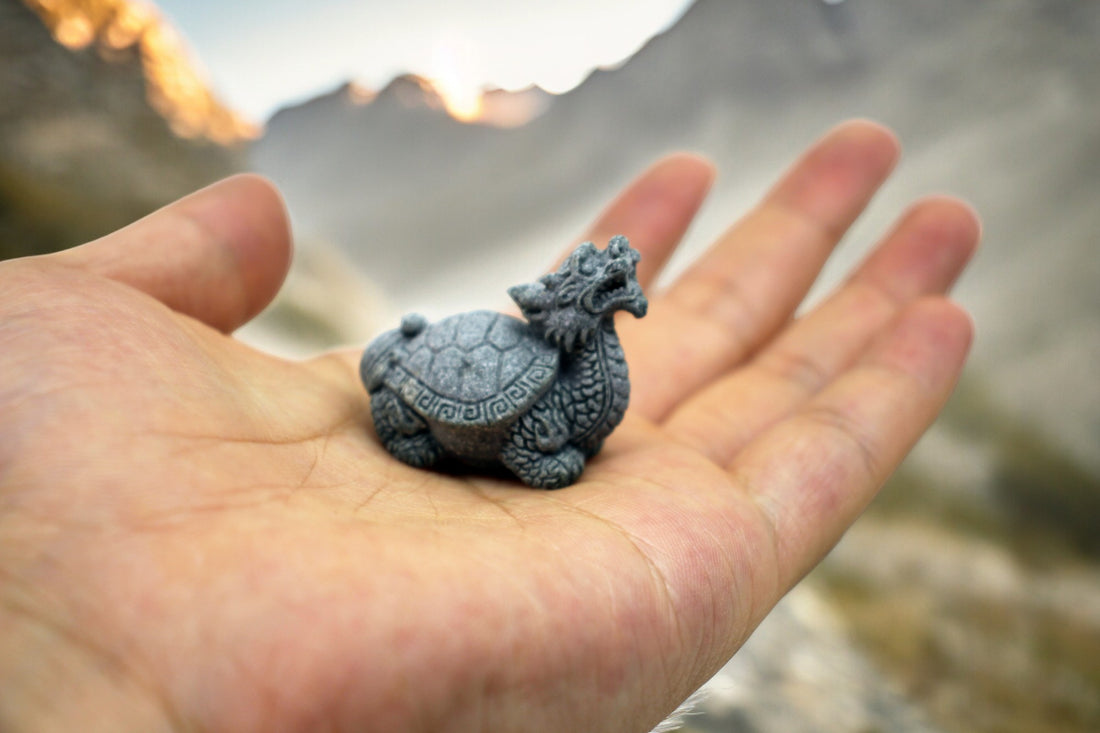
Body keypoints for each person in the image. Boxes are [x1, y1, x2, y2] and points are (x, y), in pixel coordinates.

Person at [0, 120, 979, 732]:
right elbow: (527, 440)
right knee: (441, 432)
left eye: (621, 289)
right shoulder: (523, 380)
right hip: (434, 380)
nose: (622, 298)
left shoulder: (584, 367)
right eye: (606, 288)